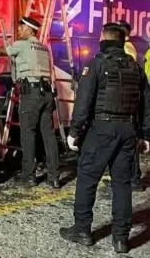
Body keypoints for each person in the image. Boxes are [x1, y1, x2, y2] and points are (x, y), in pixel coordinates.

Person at [60, 22, 150, 254]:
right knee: (122, 184)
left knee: (88, 178)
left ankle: (82, 229)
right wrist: (146, 135)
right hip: (128, 131)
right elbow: (146, 105)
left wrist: (74, 132)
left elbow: (84, 102)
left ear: (104, 39)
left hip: (102, 129)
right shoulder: (136, 67)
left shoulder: (96, 65)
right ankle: (121, 239)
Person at [5, 16, 60, 188]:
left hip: (31, 95)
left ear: (29, 30)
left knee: (28, 135)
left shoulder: (21, 45)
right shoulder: (43, 48)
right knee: (49, 136)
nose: (19, 31)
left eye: (21, 28)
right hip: (47, 95)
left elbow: (5, 51)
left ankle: (29, 176)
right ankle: (54, 177)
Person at [117, 20, 144, 192]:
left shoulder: (127, 49)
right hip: (130, 99)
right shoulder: (128, 47)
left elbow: (127, 75)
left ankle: (134, 179)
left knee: (130, 142)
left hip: (128, 101)